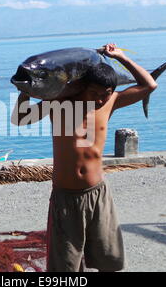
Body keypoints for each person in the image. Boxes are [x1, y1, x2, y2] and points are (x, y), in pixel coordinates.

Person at [11, 43, 158, 272]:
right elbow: (20, 119)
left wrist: (120, 57)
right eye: (94, 93)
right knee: (66, 267)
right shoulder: (58, 103)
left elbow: (150, 85)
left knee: (108, 258)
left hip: (98, 193)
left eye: (104, 94)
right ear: (82, 86)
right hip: (65, 197)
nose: (99, 100)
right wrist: (26, 91)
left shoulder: (111, 102)